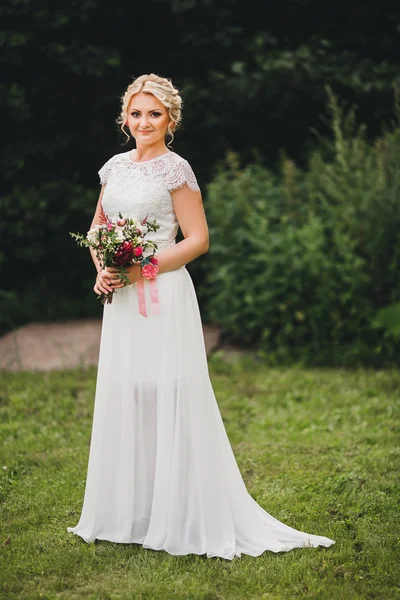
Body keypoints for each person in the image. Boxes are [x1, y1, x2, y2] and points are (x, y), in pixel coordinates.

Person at [67, 73, 335, 559]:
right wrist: (104, 271)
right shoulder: (113, 167)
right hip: (123, 300)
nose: (144, 122)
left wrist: (140, 269)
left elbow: (197, 240)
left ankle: (183, 509)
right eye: (136, 113)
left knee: (172, 391)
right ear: (124, 117)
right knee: (129, 391)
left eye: (154, 114)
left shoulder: (177, 170)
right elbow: (97, 228)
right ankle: (134, 510)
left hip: (163, 292)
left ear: (170, 119)